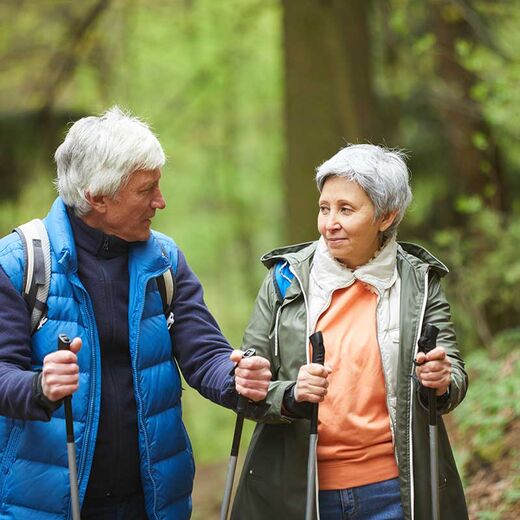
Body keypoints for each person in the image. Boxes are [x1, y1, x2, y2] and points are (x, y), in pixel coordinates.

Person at [0, 107, 271, 520]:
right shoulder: (20, 264)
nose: (160, 202)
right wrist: (39, 386)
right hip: (44, 503)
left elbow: (204, 353)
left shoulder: (164, 260)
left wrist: (236, 377)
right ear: (98, 197)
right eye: (147, 190)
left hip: (152, 502)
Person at [231, 144, 468, 520]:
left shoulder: (419, 282)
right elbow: (249, 385)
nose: (330, 223)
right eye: (324, 208)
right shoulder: (285, 279)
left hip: (393, 491)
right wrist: (290, 394)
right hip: (299, 490)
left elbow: (452, 373)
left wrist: (440, 379)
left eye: (346, 209)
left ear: (386, 216)